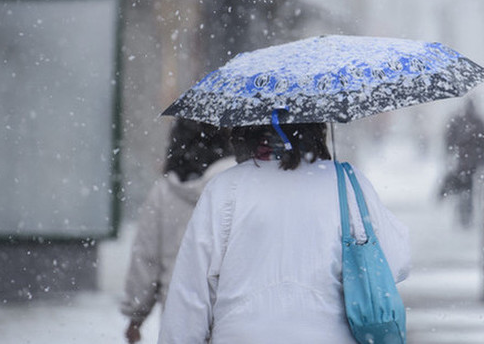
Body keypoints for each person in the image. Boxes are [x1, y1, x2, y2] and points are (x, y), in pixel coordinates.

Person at [158, 123, 411, 343]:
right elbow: (396, 261)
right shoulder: (347, 183)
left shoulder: (224, 189)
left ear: (244, 131)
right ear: (317, 126)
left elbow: (189, 297)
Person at [121, 119, 234, 344]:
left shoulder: (164, 193)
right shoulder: (237, 184)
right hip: (230, 310)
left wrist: (136, 316)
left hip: (179, 312)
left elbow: (146, 258)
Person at [439, 100, 484, 227]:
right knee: (467, 190)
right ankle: (465, 215)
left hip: (462, 163)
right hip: (469, 163)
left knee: (463, 190)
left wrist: (450, 155)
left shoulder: (458, 121)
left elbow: (448, 140)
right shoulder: (478, 122)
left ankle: (463, 215)